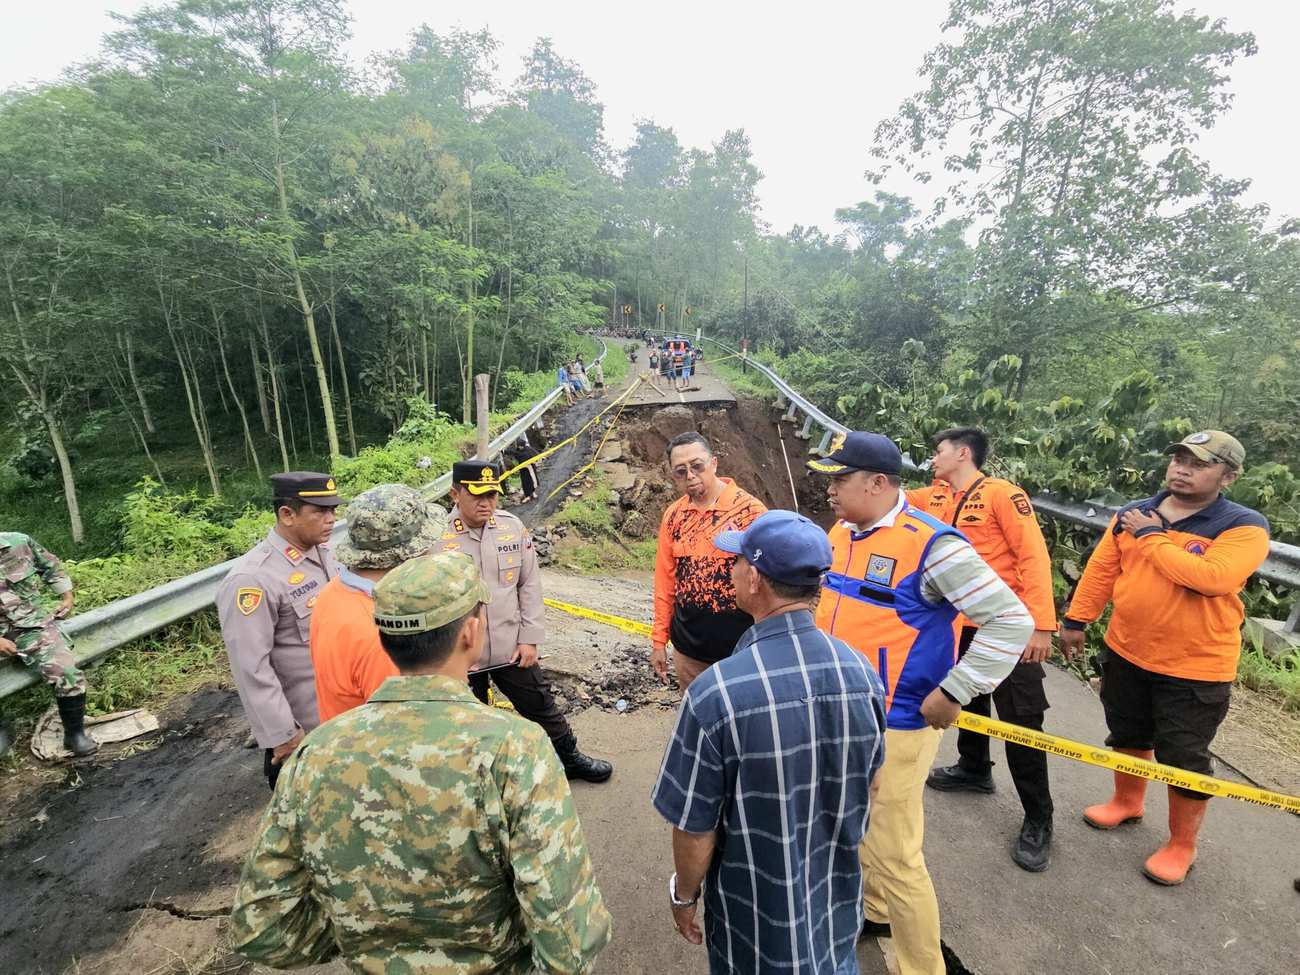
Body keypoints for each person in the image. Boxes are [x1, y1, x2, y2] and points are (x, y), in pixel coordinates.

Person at [230, 552, 612, 973]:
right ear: (471, 632)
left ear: (386, 639)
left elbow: (261, 931)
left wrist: (366, 942)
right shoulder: (514, 749)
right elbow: (569, 937)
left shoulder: (314, 754)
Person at [808, 432, 1031, 975]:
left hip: (898, 723)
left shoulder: (935, 546)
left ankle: (920, 966)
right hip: (846, 710)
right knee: (857, 825)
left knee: (896, 854)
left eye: (839, 479)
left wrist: (957, 689)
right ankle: (875, 910)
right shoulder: (842, 532)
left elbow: (1011, 621)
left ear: (878, 482)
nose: (830, 489)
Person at [653, 510, 887, 975]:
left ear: (755, 578)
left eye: (737, 560)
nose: (731, 569)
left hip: (755, 925)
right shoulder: (862, 673)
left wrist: (684, 895)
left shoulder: (716, 693)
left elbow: (696, 829)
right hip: (834, 909)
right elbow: (872, 786)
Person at [1060, 430, 1270, 886]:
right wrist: (1077, 619)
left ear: (1228, 476)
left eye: (1198, 463)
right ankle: (1127, 802)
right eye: (1178, 458)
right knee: (1128, 732)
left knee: (1184, 755)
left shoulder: (1243, 526)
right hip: (1127, 649)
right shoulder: (1133, 513)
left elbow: (1210, 578)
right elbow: (1102, 568)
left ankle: (1181, 844)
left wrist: (1153, 536)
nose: (1182, 468)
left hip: (1196, 666)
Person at [909, 427, 1059, 871]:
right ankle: (974, 768)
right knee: (967, 698)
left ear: (963, 453)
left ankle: (1039, 818)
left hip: (1005, 626)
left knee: (1021, 720)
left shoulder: (1001, 495)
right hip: (957, 624)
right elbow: (892, 499)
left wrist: (1041, 626)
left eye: (938, 452)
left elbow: (1033, 556)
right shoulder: (935, 496)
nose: (932, 459)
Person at [434, 459, 613, 782]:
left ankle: (569, 758)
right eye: (477, 495)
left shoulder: (511, 527)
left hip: (509, 647)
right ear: (454, 494)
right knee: (465, 721)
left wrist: (529, 638)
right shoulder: (436, 539)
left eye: (492, 494)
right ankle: (475, 780)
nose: (486, 502)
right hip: (459, 655)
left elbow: (528, 585)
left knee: (541, 704)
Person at [217, 471, 342, 790]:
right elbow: (251, 668)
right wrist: (282, 735)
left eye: (333, 510)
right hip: (303, 733)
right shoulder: (254, 580)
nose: (331, 519)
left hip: (339, 721)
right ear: (287, 514)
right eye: (320, 512)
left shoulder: (325, 554)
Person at [309, 484, 447, 723]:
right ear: (411, 553)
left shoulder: (333, 592)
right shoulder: (385, 633)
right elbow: (404, 727)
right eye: (429, 545)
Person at [652, 432, 768, 692]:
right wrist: (659, 640)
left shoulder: (750, 511)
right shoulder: (674, 516)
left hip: (742, 650)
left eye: (697, 466)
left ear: (713, 463)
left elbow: (769, 581)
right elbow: (665, 581)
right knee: (697, 720)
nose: (690, 476)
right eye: (680, 471)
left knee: (742, 723)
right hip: (689, 651)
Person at [0, 533, 97, 757]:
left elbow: (50, 565)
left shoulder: (19, 543)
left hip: (32, 627)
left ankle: (74, 735)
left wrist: (67, 597)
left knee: (67, 671)